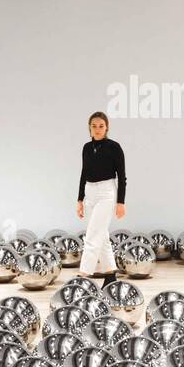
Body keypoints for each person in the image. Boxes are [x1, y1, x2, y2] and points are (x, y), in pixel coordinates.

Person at [76, 111, 126, 281]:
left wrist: (121, 202)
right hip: (90, 192)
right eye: (94, 126)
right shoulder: (86, 148)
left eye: (101, 126)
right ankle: (110, 274)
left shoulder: (114, 147)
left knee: (92, 234)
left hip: (107, 192)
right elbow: (84, 173)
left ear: (107, 128)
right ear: (89, 128)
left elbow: (122, 176)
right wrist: (80, 199)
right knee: (102, 235)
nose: (97, 129)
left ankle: (84, 275)